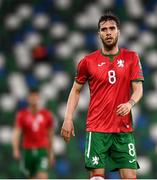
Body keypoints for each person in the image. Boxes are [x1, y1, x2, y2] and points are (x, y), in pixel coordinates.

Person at [61, 11, 144, 180]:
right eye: (104, 29)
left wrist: (130, 103)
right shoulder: (87, 61)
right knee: (97, 177)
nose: (108, 32)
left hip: (123, 129)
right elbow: (75, 90)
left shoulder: (131, 58)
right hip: (97, 129)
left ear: (118, 31)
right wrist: (68, 118)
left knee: (130, 177)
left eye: (112, 28)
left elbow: (138, 89)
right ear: (99, 33)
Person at [12, 88, 54, 179]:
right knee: (30, 177)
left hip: (42, 150)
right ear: (28, 98)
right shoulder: (22, 115)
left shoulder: (46, 114)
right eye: (31, 96)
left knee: (43, 176)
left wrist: (51, 153)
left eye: (35, 96)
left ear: (38, 98)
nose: (33, 98)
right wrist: (15, 149)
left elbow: (50, 134)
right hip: (28, 150)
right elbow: (17, 133)